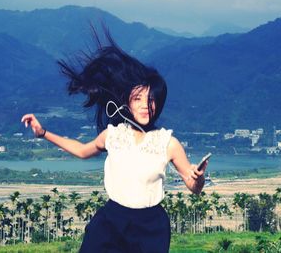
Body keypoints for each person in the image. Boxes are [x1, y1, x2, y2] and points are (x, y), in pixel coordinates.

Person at [21, 30, 208, 253]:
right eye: (138, 99)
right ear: (127, 102)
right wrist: (43, 133)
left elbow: (193, 186)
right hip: (112, 221)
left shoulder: (168, 143)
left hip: (150, 227)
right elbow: (82, 150)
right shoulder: (113, 135)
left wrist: (197, 179)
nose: (144, 105)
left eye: (151, 100)